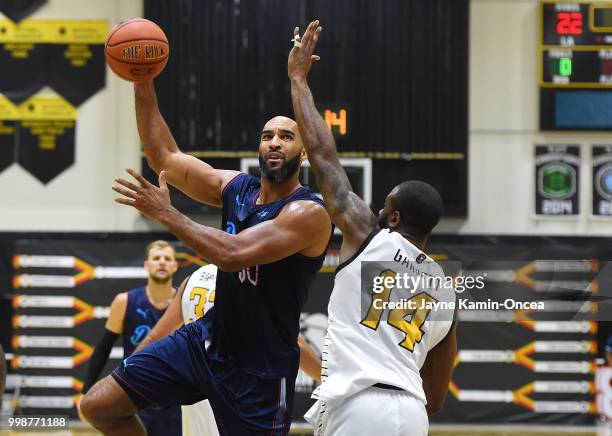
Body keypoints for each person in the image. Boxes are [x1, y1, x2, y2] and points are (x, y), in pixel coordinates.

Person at [80, 77, 333, 435]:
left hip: (260, 372)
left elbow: (232, 254)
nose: (275, 141)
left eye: (287, 136)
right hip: (206, 342)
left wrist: (166, 213)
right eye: (267, 136)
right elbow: (164, 157)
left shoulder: (308, 213)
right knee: (99, 406)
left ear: (303, 153)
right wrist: (142, 83)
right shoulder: (235, 188)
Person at [288, 21, 458, 435]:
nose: (377, 212)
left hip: (358, 405)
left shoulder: (371, 239)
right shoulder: (445, 289)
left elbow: (323, 158)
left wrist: (297, 79)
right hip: (412, 413)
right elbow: (436, 396)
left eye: (384, 207)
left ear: (394, 217)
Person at [134, 263, 323, 436]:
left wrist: (124, 379)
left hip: (196, 397)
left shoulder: (193, 278)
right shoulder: (251, 282)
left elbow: (154, 337)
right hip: (236, 395)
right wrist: (329, 379)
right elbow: (293, 344)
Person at [77, 240, 180, 436]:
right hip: (135, 394)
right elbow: (103, 348)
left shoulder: (184, 302)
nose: (162, 262)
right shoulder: (125, 301)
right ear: (146, 265)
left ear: (175, 266)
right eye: (156, 258)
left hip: (174, 398)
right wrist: (85, 391)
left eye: (167, 259)